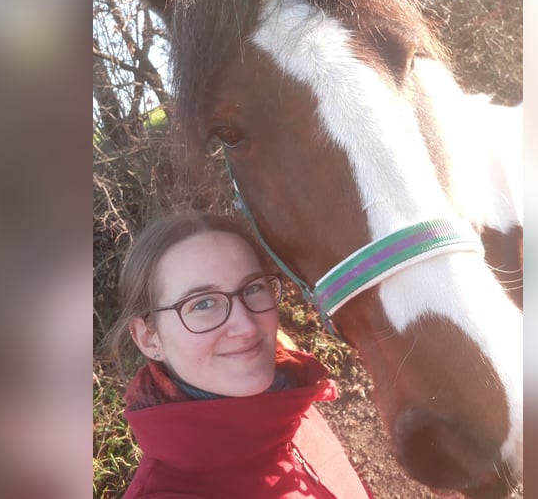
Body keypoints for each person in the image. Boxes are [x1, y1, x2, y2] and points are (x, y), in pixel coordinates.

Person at [105, 210, 373, 498]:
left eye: (254, 288)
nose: (246, 326)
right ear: (148, 338)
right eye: (203, 303)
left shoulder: (291, 395)